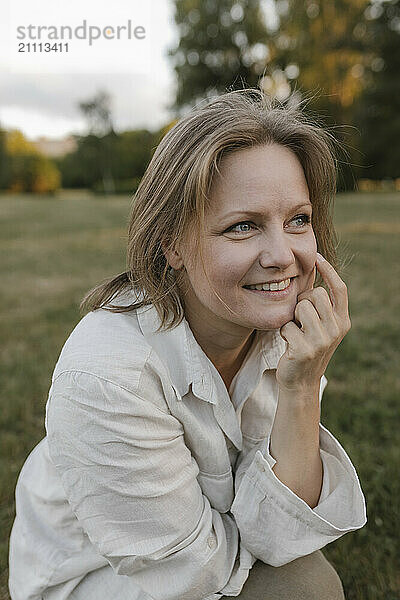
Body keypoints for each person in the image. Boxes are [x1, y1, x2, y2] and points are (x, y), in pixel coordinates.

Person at [8, 88, 367, 600]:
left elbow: (286, 538)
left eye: (298, 220)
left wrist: (302, 386)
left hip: (206, 552)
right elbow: (190, 574)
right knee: (307, 588)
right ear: (172, 243)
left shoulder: (284, 341)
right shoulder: (106, 376)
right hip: (100, 579)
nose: (283, 255)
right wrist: (267, 536)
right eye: (243, 227)